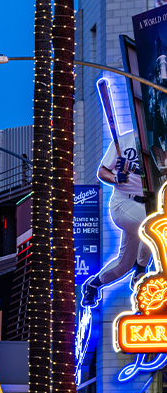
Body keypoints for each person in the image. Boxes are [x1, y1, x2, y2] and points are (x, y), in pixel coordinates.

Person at [81, 129, 150, 307]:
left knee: (124, 264)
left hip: (148, 206)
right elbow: (102, 171)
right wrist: (116, 177)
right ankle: (141, 269)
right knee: (154, 225)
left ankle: (93, 285)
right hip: (123, 204)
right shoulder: (123, 141)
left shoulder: (160, 140)